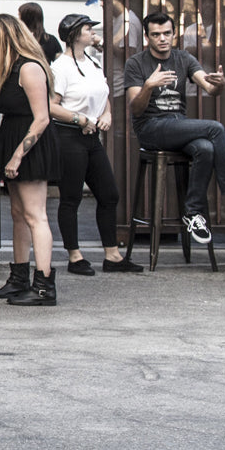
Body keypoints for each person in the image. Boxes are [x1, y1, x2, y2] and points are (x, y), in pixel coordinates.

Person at [125, 11, 225, 246]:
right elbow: (136, 109)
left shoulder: (184, 59)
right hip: (151, 128)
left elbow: (209, 88)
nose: (162, 39)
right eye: (156, 35)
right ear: (147, 37)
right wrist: (149, 86)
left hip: (178, 125)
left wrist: (218, 85)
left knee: (205, 148)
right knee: (215, 128)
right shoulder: (136, 63)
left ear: (174, 34)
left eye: (166, 34)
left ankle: (192, 213)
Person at [48, 14, 141, 275]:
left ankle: (112, 255)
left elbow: (104, 94)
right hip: (69, 137)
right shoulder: (61, 67)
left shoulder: (92, 61)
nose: (93, 33)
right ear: (75, 34)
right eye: (88, 29)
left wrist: (107, 114)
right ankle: (74, 255)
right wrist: (81, 119)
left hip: (92, 137)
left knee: (109, 193)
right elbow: (51, 106)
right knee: (71, 197)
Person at [0, 14, 62, 306]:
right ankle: (19, 278)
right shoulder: (9, 69)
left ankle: (43, 286)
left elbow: (42, 118)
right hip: (15, 138)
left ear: (5, 37)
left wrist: (18, 155)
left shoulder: (29, 68)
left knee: (35, 215)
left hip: (31, 144)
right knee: (18, 214)